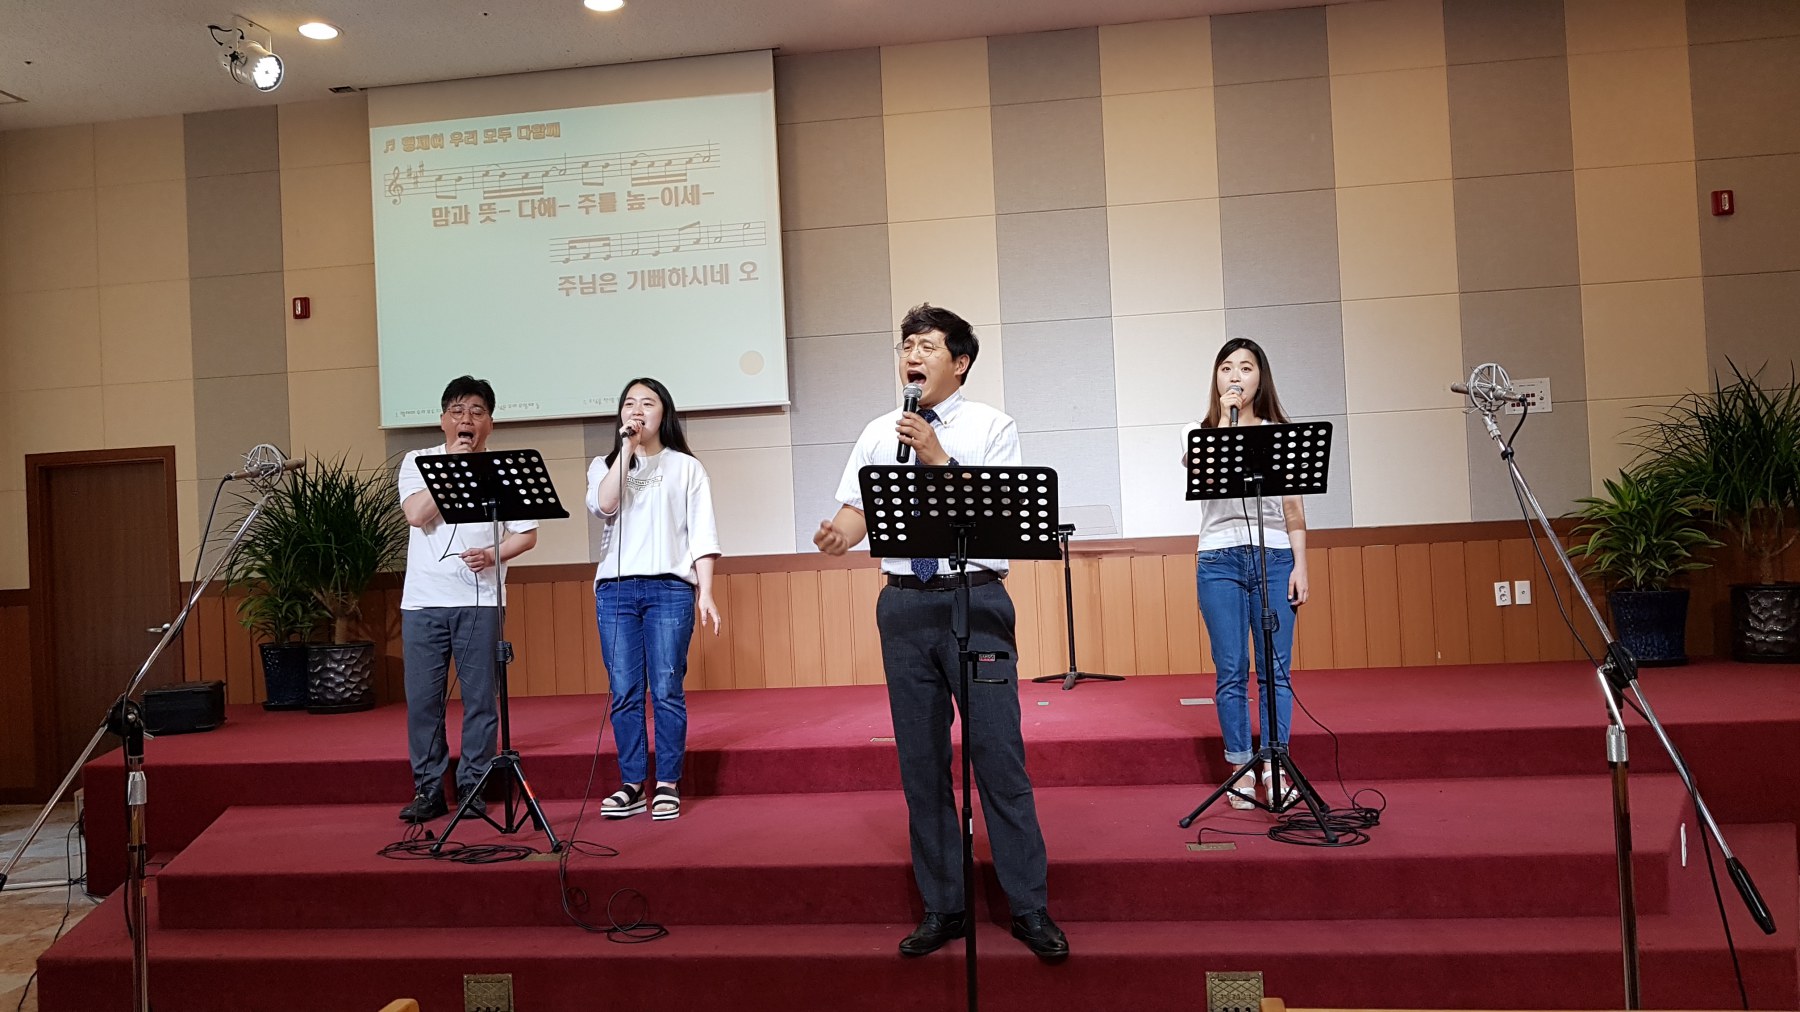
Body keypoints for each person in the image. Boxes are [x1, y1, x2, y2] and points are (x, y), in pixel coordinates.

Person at [813, 303, 1068, 963]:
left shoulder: (991, 427)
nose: (913, 356)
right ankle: (944, 905)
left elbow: (1001, 515)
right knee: (921, 765)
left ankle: (1029, 906)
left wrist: (936, 456)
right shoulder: (879, 431)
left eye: (927, 346)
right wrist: (840, 534)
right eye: (907, 346)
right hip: (904, 607)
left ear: (960, 361)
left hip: (974, 599)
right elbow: (857, 509)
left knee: (998, 757)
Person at [397, 375, 540, 822]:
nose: (467, 419)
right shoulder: (417, 461)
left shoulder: (505, 471)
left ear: (490, 424)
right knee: (424, 702)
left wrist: (492, 555)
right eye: (457, 411)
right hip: (423, 603)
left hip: (481, 600)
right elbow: (416, 515)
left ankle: (473, 787)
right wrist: (453, 469)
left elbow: (526, 536)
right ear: (443, 420)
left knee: (481, 700)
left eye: (477, 412)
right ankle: (428, 791)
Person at [587, 377, 722, 822]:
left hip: (669, 588)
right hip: (616, 590)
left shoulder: (686, 467)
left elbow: (703, 534)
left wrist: (706, 591)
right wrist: (626, 450)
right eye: (629, 403)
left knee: (665, 688)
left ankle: (667, 782)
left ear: (665, 413)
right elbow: (605, 505)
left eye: (647, 403)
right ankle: (631, 784)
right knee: (624, 691)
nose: (637, 410)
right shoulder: (605, 465)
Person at [1184, 338, 1310, 809]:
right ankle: (1240, 766)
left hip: (1275, 557)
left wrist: (1301, 564)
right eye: (1226, 368)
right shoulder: (1197, 432)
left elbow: (1293, 508)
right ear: (1216, 379)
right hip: (1219, 560)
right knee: (1232, 668)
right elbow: (1207, 482)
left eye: (1246, 367)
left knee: (1275, 670)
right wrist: (1225, 420)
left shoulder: (1281, 434)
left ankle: (1276, 764)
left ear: (1262, 377)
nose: (1235, 376)